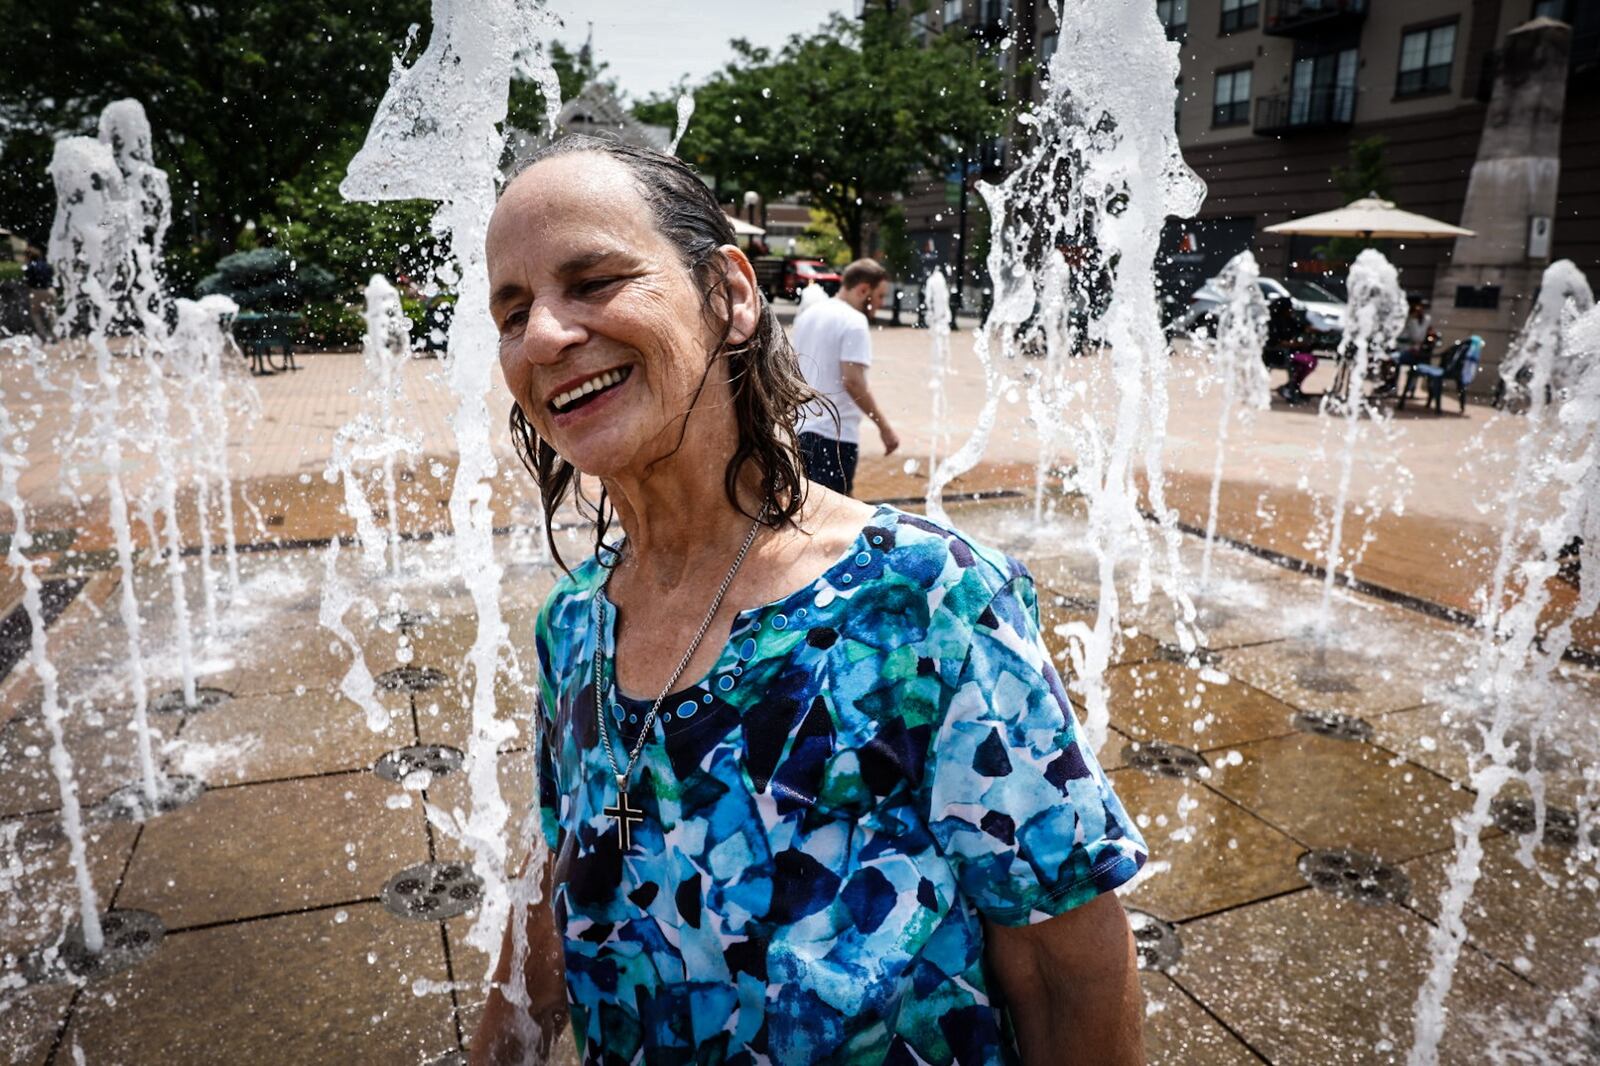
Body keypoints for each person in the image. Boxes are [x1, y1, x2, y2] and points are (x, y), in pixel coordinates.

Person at [476, 135, 1148, 1066]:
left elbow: (1068, 973)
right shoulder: (576, 624)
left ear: (732, 295)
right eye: (513, 312)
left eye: (593, 282)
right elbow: (559, 875)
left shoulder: (924, 606)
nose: (545, 335)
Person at [791, 257, 900, 495]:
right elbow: (853, 381)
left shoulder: (808, 316)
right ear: (863, 290)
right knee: (836, 518)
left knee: (807, 513)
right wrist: (885, 428)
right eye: (880, 296)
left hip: (802, 433)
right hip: (835, 437)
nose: (881, 304)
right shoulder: (854, 322)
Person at [23, 246, 55, 340]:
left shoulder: (29, 267)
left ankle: (43, 335)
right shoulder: (46, 265)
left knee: (36, 314)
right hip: (50, 290)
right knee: (51, 313)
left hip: (36, 291)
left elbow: (28, 282)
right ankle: (55, 334)